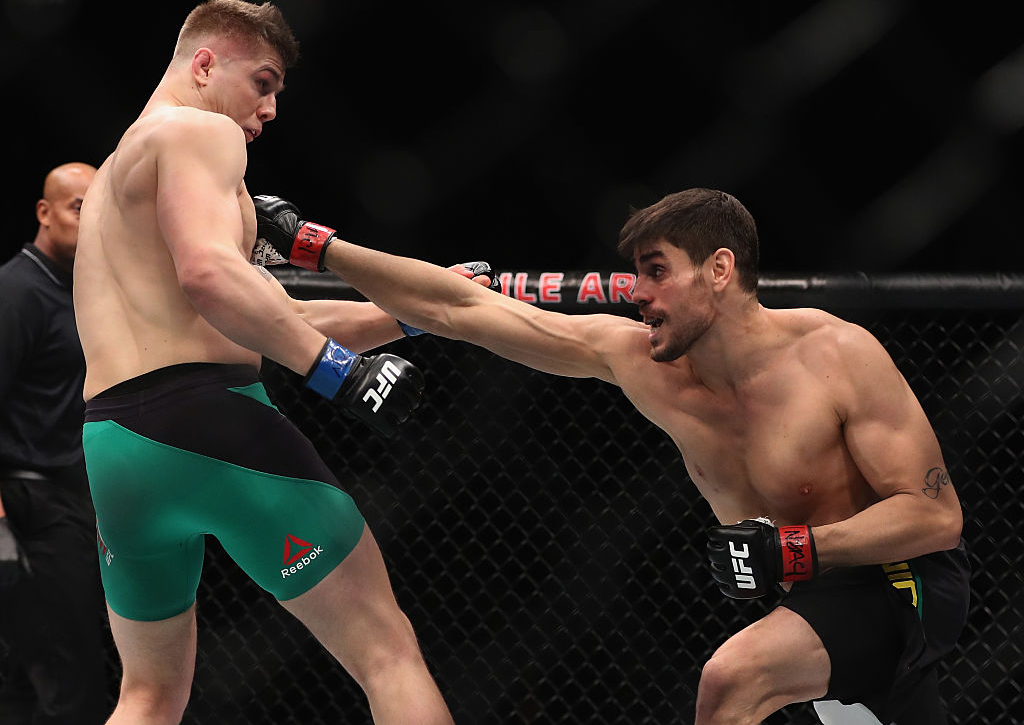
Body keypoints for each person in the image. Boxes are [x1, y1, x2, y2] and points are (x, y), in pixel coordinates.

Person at [252, 188, 971, 725]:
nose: (639, 294)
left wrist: (799, 546)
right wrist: (318, 248)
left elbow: (936, 517)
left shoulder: (836, 353)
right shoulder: (638, 361)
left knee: (732, 678)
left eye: (657, 271)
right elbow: (462, 311)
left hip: (896, 581)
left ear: (719, 269)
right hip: (808, 598)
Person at [73, 0, 483, 725]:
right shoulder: (201, 134)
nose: (268, 111)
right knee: (387, 653)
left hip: (114, 448)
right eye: (262, 82)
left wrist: (412, 315)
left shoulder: (112, 176)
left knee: (147, 697)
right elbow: (211, 275)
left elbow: (257, 317)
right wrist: (336, 373)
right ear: (205, 64)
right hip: (211, 423)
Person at [0, 161, 110, 723]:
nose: (90, 220)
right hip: (24, 505)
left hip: (65, 498)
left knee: (31, 674)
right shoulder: (15, 289)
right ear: (44, 213)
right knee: (72, 678)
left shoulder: (80, 290)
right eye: (77, 207)